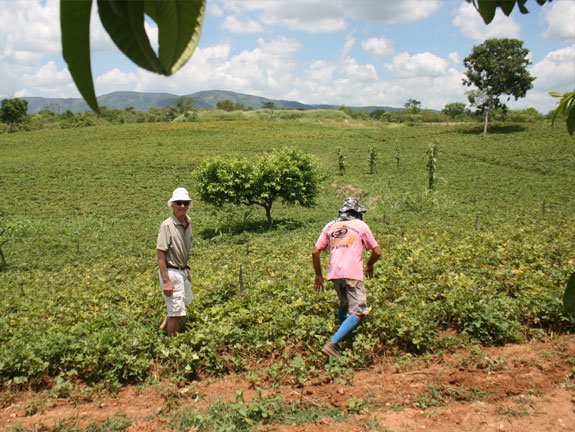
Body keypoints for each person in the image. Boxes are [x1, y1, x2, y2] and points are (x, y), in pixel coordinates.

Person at [312, 197, 381, 357]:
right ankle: (333, 343)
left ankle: (344, 338)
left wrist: (318, 275)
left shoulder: (329, 226)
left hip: (334, 274)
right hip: (352, 274)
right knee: (358, 313)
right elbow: (377, 252)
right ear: (356, 213)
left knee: (344, 304)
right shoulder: (360, 225)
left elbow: (315, 251)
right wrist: (370, 264)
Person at [157, 187, 194, 336]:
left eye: (185, 203)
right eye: (179, 203)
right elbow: (160, 253)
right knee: (176, 313)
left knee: (186, 300)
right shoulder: (167, 225)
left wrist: (185, 270)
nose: (182, 206)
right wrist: (166, 280)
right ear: (172, 205)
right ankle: (171, 343)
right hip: (171, 271)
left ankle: (164, 324)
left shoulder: (188, 222)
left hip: (181, 270)